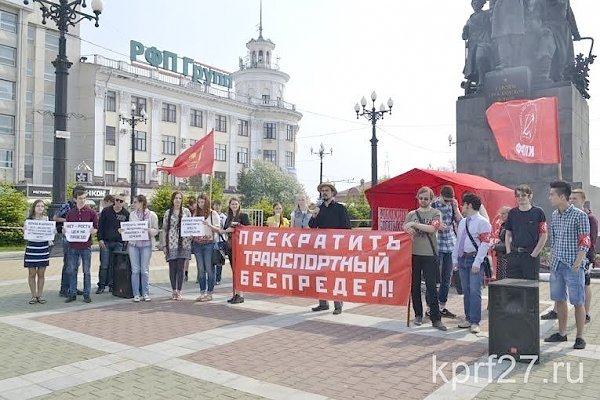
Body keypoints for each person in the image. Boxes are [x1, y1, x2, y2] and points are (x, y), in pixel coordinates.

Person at [544, 181, 590, 350]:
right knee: (559, 300)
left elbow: (585, 241)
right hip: (556, 265)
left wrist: (578, 263)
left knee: (578, 302)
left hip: (573, 266)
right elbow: (554, 239)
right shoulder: (555, 215)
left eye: (552, 195)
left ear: (562, 197)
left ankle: (580, 337)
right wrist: (550, 257)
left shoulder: (580, 215)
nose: (549, 197)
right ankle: (562, 333)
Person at [543, 189, 597, 322]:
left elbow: (590, 239)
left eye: (575, 199)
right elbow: (556, 238)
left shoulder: (589, 217)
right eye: (571, 198)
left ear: (583, 200)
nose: (572, 200)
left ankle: (586, 313)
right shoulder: (558, 215)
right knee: (560, 292)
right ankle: (557, 311)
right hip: (562, 260)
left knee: (585, 284)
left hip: (583, 257)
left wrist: (582, 259)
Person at [403, 187, 447, 331]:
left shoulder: (436, 213)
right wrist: (409, 229)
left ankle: (436, 318)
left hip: (430, 254)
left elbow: (432, 229)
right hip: (413, 254)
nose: (423, 201)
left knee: (431, 287)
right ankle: (418, 314)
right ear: (417, 198)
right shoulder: (411, 214)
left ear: (431, 199)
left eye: (426, 198)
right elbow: (405, 230)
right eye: (421, 198)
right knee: (414, 287)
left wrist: (415, 225)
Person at [309, 183, 351, 315]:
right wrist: (314, 215)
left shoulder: (340, 208)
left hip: (337, 248)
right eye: (322, 191)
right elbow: (311, 226)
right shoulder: (319, 209)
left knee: (335, 276)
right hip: (322, 248)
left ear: (333, 192)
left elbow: (347, 228)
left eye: (326, 190)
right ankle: (323, 303)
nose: (324, 193)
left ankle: (338, 304)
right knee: (320, 275)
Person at [452, 193, 492, 334]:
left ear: (469, 205)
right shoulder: (463, 222)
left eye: (463, 204)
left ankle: (475, 321)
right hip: (463, 258)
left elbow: (485, 244)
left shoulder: (483, 222)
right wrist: (455, 259)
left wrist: (477, 261)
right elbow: (458, 242)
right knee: (466, 290)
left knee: (475, 291)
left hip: (475, 259)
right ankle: (468, 318)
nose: (462, 207)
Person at [504, 184, 548, 280]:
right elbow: (507, 234)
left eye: (523, 195)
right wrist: (508, 252)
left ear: (530, 196)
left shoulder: (538, 212)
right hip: (514, 255)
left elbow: (544, 235)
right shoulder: (512, 213)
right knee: (513, 287)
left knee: (530, 289)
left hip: (530, 255)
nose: (520, 198)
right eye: (518, 196)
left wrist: (534, 253)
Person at [431, 185, 461, 318]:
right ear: (440, 195)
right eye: (446, 200)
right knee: (433, 276)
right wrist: (436, 226)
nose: (448, 202)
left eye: (450, 200)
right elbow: (427, 222)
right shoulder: (433, 204)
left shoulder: (452, 204)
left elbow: (460, 221)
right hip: (437, 243)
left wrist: (456, 208)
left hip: (450, 243)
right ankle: (431, 307)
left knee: (447, 278)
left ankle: (442, 305)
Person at [64, 189, 99, 303]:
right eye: (80, 198)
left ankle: (86, 294)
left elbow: (95, 228)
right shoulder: (70, 213)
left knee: (86, 271)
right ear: (75, 199)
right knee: (72, 270)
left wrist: (93, 230)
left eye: (84, 198)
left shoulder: (91, 213)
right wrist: (65, 230)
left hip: (86, 246)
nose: (82, 200)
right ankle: (72, 293)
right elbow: (67, 228)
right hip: (73, 246)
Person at [54, 185, 85, 297]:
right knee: (68, 264)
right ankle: (64, 288)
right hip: (68, 238)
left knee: (76, 264)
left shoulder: (84, 207)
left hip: (79, 239)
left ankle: (73, 287)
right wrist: (69, 220)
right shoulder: (67, 205)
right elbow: (55, 217)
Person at [127, 194, 159, 302]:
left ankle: (145, 293)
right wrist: (124, 231)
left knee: (144, 270)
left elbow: (156, 230)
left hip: (146, 245)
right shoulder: (132, 215)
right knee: (135, 270)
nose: (134, 204)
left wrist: (148, 230)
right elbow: (130, 228)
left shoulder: (152, 215)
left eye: (135, 202)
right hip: (134, 245)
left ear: (141, 203)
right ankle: (136, 294)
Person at [161, 191, 192, 301]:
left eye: (179, 198)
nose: (178, 200)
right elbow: (164, 230)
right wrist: (164, 245)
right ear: (172, 200)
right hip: (171, 243)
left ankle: (179, 291)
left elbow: (191, 226)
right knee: (172, 268)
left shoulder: (186, 212)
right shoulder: (168, 213)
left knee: (181, 268)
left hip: (184, 243)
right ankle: (173, 290)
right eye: (176, 198)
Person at [96, 193, 129, 294]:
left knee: (115, 265)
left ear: (124, 203)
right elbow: (100, 225)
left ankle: (112, 285)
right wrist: (100, 239)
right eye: (117, 200)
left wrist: (125, 238)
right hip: (105, 242)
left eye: (121, 201)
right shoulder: (106, 211)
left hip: (118, 243)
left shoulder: (126, 214)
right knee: (104, 265)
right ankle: (101, 285)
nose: (118, 202)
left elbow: (129, 229)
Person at [219, 197, 250, 304]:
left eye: (236, 204)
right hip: (231, 247)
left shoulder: (243, 216)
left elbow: (248, 229)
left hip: (240, 248)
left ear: (239, 205)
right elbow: (224, 230)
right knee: (234, 271)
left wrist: (238, 227)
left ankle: (240, 294)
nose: (234, 206)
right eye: (232, 204)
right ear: (229, 205)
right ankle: (236, 294)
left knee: (239, 271)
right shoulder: (228, 217)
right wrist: (228, 230)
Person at [192, 193, 221, 302]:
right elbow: (192, 227)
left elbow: (218, 229)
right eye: (199, 202)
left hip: (209, 244)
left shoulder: (213, 214)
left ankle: (210, 293)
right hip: (197, 244)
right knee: (200, 269)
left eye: (202, 202)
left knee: (209, 269)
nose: (200, 204)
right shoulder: (196, 214)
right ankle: (202, 292)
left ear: (207, 202)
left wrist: (208, 225)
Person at [23, 200, 52, 304]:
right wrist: (25, 229)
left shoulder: (47, 220)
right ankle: (33, 296)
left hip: (43, 249)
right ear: (34, 207)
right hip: (32, 248)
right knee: (32, 273)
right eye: (38, 206)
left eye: (42, 206)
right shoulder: (28, 220)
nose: (40, 208)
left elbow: (50, 232)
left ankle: (40, 295)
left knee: (41, 274)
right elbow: (25, 235)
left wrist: (52, 231)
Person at [462, 0, 492, 89]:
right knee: (473, 64)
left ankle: (482, 80)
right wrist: (465, 31)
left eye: (477, 3)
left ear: (481, 4)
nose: (475, 5)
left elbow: (491, 26)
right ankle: (479, 81)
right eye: (474, 4)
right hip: (473, 44)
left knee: (480, 57)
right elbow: (464, 36)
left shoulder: (486, 14)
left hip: (484, 40)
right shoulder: (470, 19)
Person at [493, 206, 511, 280]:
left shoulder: (511, 226)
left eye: (503, 213)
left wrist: (495, 247)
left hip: (506, 257)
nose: (501, 215)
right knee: (500, 279)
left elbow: (510, 243)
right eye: (501, 214)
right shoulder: (503, 225)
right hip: (501, 256)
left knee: (504, 279)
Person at [212, 200, 227, 285]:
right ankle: (212, 278)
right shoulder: (211, 216)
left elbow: (225, 229)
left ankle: (218, 279)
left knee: (219, 261)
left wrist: (220, 231)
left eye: (219, 205)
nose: (217, 207)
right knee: (212, 261)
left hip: (220, 241)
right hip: (212, 241)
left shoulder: (223, 217)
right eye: (215, 205)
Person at [184, 197, 197, 282]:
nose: (193, 207)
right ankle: (185, 273)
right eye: (191, 205)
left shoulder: (199, 212)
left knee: (198, 257)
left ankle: (199, 276)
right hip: (188, 238)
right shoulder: (186, 212)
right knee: (186, 257)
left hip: (196, 238)